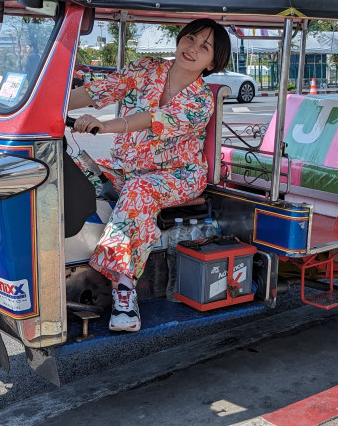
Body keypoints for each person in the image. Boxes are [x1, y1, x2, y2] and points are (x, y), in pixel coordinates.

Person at [66, 18, 231, 332]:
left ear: (213, 62)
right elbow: (99, 90)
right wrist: (47, 105)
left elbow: (151, 120)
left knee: (141, 190)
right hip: (128, 167)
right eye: (191, 38)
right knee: (70, 166)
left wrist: (104, 126)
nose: (193, 48)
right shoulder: (149, 69)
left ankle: (124, 292)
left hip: (177, 175)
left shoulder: (199, 102)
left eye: (204, 47)